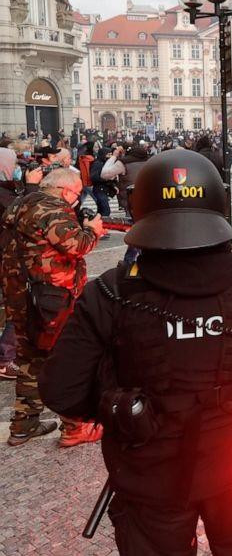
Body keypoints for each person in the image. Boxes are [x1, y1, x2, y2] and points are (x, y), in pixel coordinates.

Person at [39, 149, 232, 554]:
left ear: (142, 208)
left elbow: (61, 389)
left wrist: (121, 405)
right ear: (218, 206)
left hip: (149, 473)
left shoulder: (111, 289)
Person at [2, 168, 106, 446]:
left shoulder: (22, 202)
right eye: (75, 194)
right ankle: (74, 426)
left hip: (20, 295)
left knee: (31, 359)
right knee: (68, 358)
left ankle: (23, 425)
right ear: (65, 191)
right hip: (51, 298)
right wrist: (92, 230)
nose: (75, 199)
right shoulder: (52, 209)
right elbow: (77, 245)